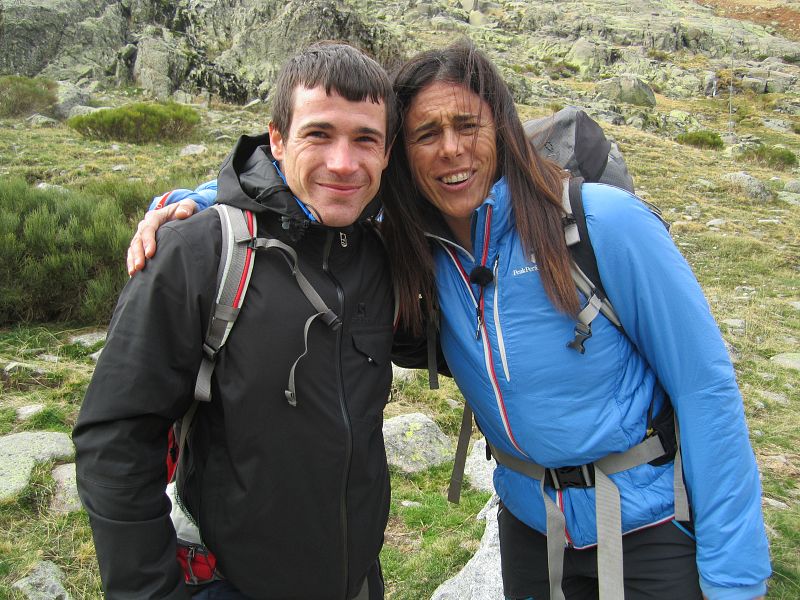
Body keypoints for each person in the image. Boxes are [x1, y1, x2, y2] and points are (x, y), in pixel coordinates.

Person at [129, 41, 770, 600]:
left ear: (506, 128)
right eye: (426, 134)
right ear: (404, 154)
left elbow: (706, 388)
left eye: (469, 124)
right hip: (530, 527)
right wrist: (195, 202)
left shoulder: (604, 225)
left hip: (647, 526)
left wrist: (735, 578)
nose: (452, 150)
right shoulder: (413, 240)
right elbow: (309, 193)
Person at [73, 42, 396, 600]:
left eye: (365, 139)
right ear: (276, 138)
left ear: (388, 152)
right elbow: (115, 437)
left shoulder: (381, 251)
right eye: (318, 134)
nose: (343, 163)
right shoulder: (199, 252)